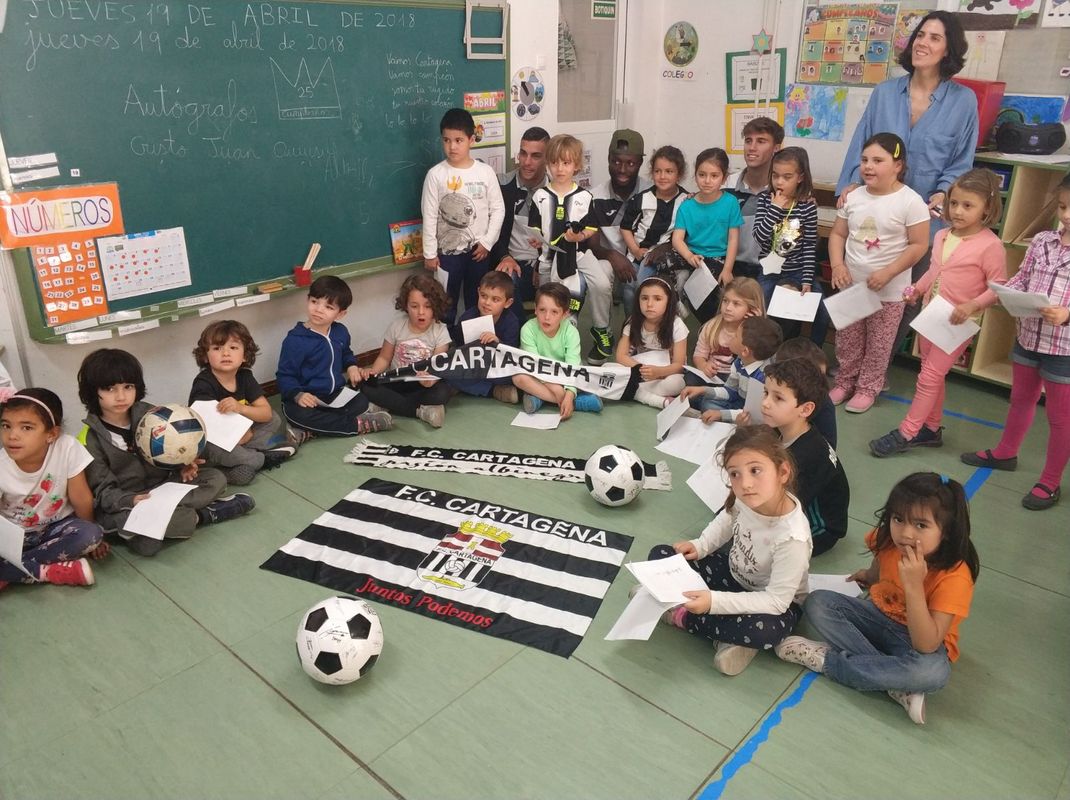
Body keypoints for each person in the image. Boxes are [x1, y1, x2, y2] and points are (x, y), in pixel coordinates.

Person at [776, 473, 979, 725]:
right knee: (817, 602)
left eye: (921, 525)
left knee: (932, 674)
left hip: (919, 644)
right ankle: (896, 683)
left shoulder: (955, 576)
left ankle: (828, 660)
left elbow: (926, 645)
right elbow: (880, 562)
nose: (905, 532)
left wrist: (914, 586)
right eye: (898, 519)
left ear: (946, 532)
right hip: (877, 617)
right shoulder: (888, 540)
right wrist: (870, 577)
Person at [836, 11, 979, 358]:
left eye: (934, 37)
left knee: (904, 295)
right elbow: (861, 144)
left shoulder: (963, 101)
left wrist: (944, 191)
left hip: (922, 219)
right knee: (861, 285)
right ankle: (849, 366)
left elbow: (961, 160)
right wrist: (851, 183)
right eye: (920, 35)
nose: (923, 43)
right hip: (874, 209)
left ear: (949, 49)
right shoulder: (885, 92)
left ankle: (879, 366)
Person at [648, 425, 811, 676]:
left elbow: (776, 601)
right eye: (735, 474)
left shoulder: (793, 537)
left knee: (766, 631)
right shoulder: (748, 497)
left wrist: (713, 602)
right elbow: (727, 519)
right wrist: (700, 546)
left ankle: (678, 613)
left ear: (783, 472)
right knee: (662, 556)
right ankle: (725, 637)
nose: (745, 483)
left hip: (771, 604)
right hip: (733, 576)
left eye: (755, 470)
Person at [870, 169, 1006, 457]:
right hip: (933, 315)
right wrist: (916, 289)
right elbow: (935, 270)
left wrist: (972, 305)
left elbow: (998, 288)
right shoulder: (943, 235)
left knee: (930, 376)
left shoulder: (991, 246)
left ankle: (907, 432)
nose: (957, 211)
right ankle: (931, 429)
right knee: (931, 374)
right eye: (954, 203)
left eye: (968, 206)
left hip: (959, 322)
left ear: (987, 209)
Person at [961, 173, 1070, 511]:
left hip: (1063, 349)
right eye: (1063, 207)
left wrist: (1067, 313)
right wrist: (1007, 293)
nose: (1065, 216)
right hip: (1028, 337)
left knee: (1059, 418)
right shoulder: (1042, 241)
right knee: (1020, 400)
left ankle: (1050, 481)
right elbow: (1021, 278)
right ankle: (1006, 452)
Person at [77, 349, 253, 557]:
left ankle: (179, 517)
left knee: (215, 478)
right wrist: (130, 500)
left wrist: (183, 465)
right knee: (146, 545)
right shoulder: (89, 438)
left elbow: (172, 450)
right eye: (110, 389)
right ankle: (204, 514)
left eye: (128, 387)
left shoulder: (152, 415)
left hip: (163, 487)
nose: (121, 396)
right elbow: (103, 492)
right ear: (92, 391)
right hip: (130, 503)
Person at [829, 133, 930, 413]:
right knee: (847, 340)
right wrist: (838, 265)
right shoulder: (853, 197)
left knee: (879, 344)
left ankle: (868, 387)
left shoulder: (911, 202)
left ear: (898, 165)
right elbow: (838, 234)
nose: (868, 166)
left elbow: (919, 245)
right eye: (864, 160)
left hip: (888, 292)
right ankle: (844, 381)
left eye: (878, 160)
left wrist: (888, 272)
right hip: (851, 287)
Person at [1, 389, 105, 589]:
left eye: (26, 428)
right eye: (6, 426)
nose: (12, 435)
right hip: (14, 537)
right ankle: (49, 572)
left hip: (56, 528)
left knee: (91, 534)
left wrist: (95, 541)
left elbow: (81, 497)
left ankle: (12, 571)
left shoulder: (67, 447)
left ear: (51, 434)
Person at [276, 275, 393, 439]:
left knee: (361, 401)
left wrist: (351, 365)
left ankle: (308, 431)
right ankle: (358, 425)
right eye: (314, 301)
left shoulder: (340, 332)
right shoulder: (295, 340)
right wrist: (298, 395)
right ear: (307, 300)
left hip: (333, 395)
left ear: (340, 314)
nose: (318, 309)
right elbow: (284, 376)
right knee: (295, 414)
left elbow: (346, 353)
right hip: (306, 399)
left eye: (329, 307)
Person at [421, 107, 505, 324]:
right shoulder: (436, 175)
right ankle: (445, 348)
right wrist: (430, 253)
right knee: (444, 301)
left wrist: (487, 243)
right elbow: (429, 215)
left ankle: (474, 346)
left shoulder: (484, 172)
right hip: (447, 255)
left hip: (479, 252)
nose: (452, 146)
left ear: (471, 139)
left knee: (477, 302)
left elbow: (498, 209)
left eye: (458, 140)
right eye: (446, 140)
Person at [759, 358, 849, 556]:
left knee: (755, 546)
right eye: (766, 393)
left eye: (778, 398)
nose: (765, 403)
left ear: (806, 409)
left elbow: (785, 509)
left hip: (821, 529)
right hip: (795, 503)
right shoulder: (784, 430)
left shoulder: (807, 455)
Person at [188, 319, 295, 485]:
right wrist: (236, 435)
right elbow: (207, 428)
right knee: (229, 453)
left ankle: (243, 461)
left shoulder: (244, 376)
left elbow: (266, 413)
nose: (225, 353)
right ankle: (259, 459)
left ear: (245, 355)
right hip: (214, 442)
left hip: (240, 437)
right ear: (205, 356)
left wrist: (240, 409)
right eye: (217, 348)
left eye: (233, 347)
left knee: (274, 418)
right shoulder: (204, 383)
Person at [589, 129, 653, 365]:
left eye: (630, 163)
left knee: (637, 282)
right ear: (608, 160)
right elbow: (592, 243)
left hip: (643, 262)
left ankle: (636, 337)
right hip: (609, 261)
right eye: (616, 162)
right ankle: (603, 335)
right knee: (599, 275)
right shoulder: (594, 197)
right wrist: (612, 255)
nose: (622, 170)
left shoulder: (652, 192)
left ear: (640, 163)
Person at [359, 273, 453, 428]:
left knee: (443, 392)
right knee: (365, 385)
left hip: (422, 385)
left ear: (436, 306)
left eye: (428, 306)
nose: (421, 312)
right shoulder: (397, 327)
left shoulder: (440, 331)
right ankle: (420, 411)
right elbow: (384, 358)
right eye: (414, 306)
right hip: (397, 381)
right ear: (405, 305)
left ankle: (388, 405)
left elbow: (438, 365)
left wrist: (430, 380)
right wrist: (373, 372)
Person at [528, 134, 600, 333]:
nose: (560, 169)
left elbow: (591, 227)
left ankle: (570, 342)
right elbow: (534, 226)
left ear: (576, 165)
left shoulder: (584, 197)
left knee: (569, 308)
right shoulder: (540, 195)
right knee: (546, 305)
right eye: (554, 162)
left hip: (573, 260)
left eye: (566, 163)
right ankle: (546, 346)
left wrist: (580, 236)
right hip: (546, 260)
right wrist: (535, 239)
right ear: (547, 164)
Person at [752, 146, 820, 337]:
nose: (779, 182)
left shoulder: (807, 207)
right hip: (769, 272)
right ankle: (763, 348)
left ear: (800, 177)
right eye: (775, 176)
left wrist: (807, 278)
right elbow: (759, 237)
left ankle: (800, 351)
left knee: (815, 310)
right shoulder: (765, 200)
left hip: (797, 271)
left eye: (787, 177)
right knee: (761, 311)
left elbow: (808, 247)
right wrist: (774, 209)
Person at [672, 147, 743, 320]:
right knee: (667, 287)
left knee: (710, 295)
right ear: (694, 175)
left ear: (724, 178)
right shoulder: (686, 205)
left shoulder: (730, 202)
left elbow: (733, 239)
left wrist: (727, 269)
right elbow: (677, 239)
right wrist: (689, 256)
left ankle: (709, 331)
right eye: (702, 175)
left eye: (714, 175)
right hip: (690, 257)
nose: (707, 181)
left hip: (718, 259)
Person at [514, 282, 603, 418]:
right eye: (542, 310)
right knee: (518, 378)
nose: (547, 317)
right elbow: (535, 365)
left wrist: (569, 392)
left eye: (554, 311)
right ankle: (576, 403)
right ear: (536, 309)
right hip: (539, 374)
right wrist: (556, 389)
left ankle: (540, 398)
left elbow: (573, 367)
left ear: (565, 314)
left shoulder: (571, 332)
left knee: (584, 374)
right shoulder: (528, 329)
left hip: (565, 374)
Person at [618, 145, 690, 311]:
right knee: (629, 289)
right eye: (658, 171)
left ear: (679, 174)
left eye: (669, 171)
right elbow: (625, 227)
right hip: (639, 253)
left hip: (667, 256)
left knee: (644, 287)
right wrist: (635, 250)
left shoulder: (686, 201)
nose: (662, 176)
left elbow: (688, 234)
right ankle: (631, 324)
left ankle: (656, 325)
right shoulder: (641, 199)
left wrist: (668, 248)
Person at [490, 126, 550, 323]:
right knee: (506, 280)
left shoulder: (556, 192)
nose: (526, 162)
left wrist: (542, 262)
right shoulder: (501, 185)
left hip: (545, 265)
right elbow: (490, 230)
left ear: (548, 159)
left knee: (564, 282)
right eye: (523, 153)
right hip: (512, 263)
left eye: (535, 156)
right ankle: (522, 338)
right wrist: (505, 257)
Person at [681, 315, 782, 423]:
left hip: (749, 415)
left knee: (708, 405)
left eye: (736, 336)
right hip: (737, 401)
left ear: (745, 351)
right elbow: (730, 391)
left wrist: (721, 414)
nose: (732, 336)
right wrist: (702, 390)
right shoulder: (740, 361)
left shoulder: (762, 378)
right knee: (705, 400)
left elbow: (752, 414)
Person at [725, 116, 785, 282]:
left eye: (761, 141)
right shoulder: (726, 185)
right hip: (730, 267)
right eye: (748, 140)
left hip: (771, 273)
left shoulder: (785, 190)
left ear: (776, 148)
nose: (752, 147)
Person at [448, 270, 521, 404]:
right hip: (473, 365)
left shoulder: (511, 321)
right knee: (450, 372)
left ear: (508, 303)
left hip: (497, 367)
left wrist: (498, 342)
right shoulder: (467, 317)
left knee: (516, 376)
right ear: (478, 292)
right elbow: (458, 346)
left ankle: (472, 388)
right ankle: (493, 391)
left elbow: (512, 355)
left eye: (495, 299)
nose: (487, 302)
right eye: (483, 296)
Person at [614, 276, 687, 409]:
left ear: (669, 301)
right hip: (639, 371)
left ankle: (633, 393)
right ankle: (657, 400)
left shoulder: (677, 325)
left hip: (664, 374)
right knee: (608, 369)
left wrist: (658, 372)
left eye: (657, 299)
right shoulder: (633, 322)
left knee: (677, 383)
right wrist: (643, 370)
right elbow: (621, 356)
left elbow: (679, 365)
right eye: (644, 298)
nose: (649, 304)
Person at [687, 277, 765, 386]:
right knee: (690, 379)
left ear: (751, 309)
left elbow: (758, 362)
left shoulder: (754, 333)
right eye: (725, 301)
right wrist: (704, 366)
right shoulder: (712, 326)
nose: (728, 307)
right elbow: (699, 355)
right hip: (713, 376)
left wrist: (757, 324)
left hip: (738, 379)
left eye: (736, 304)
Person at [774, 337, 837, 449]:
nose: (819, 385)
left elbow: (828, 448)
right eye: (813, 379)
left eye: (822, 377)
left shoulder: (823, 404)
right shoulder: (774, 390)